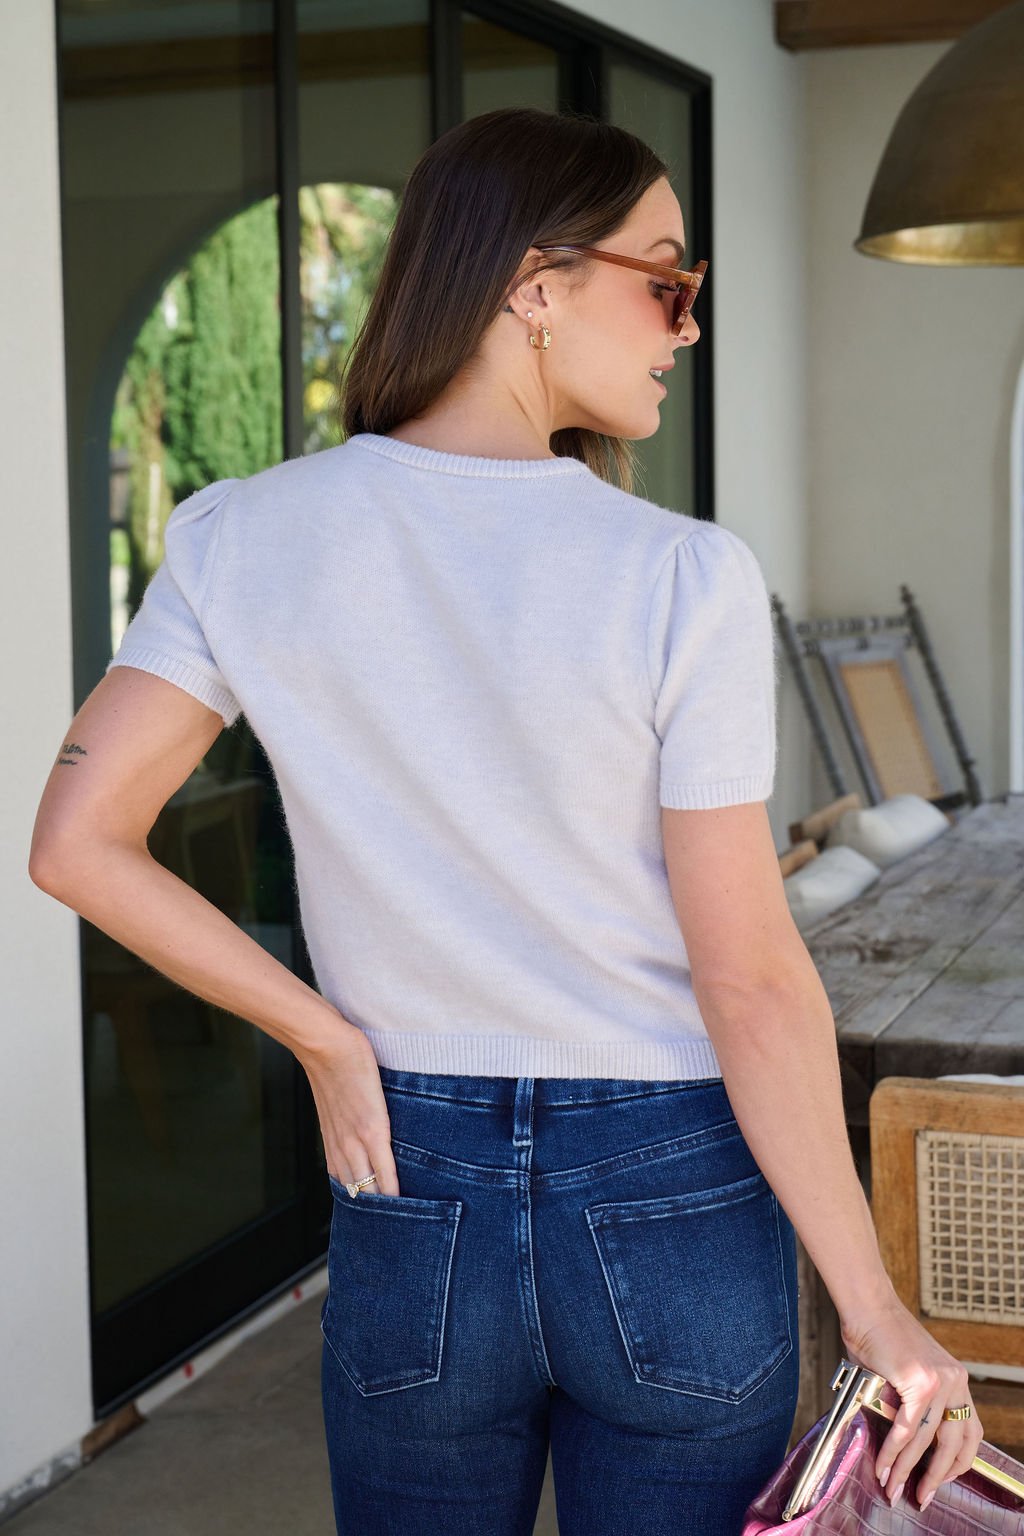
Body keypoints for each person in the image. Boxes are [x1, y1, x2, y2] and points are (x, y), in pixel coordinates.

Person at [29, 106, 982, 1535]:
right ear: (534, 287)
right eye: (668, 280)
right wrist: (876, 1308)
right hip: (672, 1192)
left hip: (414, 1187)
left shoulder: (248, 538)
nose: (688, 323)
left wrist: (326, 1035)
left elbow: (75, 841)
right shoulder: (681, 577)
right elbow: (751, 980)